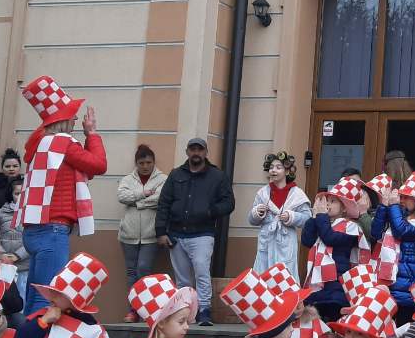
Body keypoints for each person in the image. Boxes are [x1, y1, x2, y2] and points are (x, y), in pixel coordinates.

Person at [18, 76, 107, 316]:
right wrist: (92, 134)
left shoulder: (39, 142)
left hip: (33, 230)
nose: (76, 119)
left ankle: (27, 336)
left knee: (34, 296)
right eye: (72, 115)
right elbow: (98, 165)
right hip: (54, 230)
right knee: (48, 298)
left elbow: (85, 168)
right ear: (63, 119)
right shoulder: (65, 143)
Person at [154, 136, 234, 327]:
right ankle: (185, 312)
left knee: (201, 271)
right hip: (176, 234)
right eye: (193, 149)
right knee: (182, 279)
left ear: (206, 152)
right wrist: (160, 232)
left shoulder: (217, 176)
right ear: (187, 152)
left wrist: (210, 211)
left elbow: (229, 203)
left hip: (203, 233)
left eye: (200, 149)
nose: (196, 153)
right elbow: (164, 203)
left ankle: (204, 310)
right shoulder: (176, 175)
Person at [369, 171, 415, 323]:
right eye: (401, 196)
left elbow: (400, 231)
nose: (401, 200)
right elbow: (375, 233)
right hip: (389, 284)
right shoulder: (400, 214)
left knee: (402, 329)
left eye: (407, 197)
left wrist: (393, 206)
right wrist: (383, 206)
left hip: (406, 291)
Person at [300, 175, 370, 322]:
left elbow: (329, 238)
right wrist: (314, 218)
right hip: (318, 286)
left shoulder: (351, 227)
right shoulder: (322, 222)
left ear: (344, 208)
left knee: (332, 322)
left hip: (337, 287)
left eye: (333, 201)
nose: (327, 204)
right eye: (327, 201)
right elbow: (307, 240)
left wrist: (321, 217)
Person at [246, 152, 311, 280]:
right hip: (266, 241)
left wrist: (291, 217)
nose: (273, 170)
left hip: (285, 242)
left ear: (287, 171)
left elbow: (307, 218)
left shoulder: (297, 194)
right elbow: (251, 220)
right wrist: (257, 212)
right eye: (271, 167)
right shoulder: (263, 193)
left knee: (284, 279)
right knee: (263, 277)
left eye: (278, 167)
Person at [117, 144, 166, 301]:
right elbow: (122, 197)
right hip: (128, 234)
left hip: (150, 235)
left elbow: (160, 199)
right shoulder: (127, 179)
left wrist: (138, 203)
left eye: (148, 162)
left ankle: (144, 305)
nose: (145, 166)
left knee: (144, 269)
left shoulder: (163, 179)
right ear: (136, 163)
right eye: (141, 163)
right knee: (131, 272)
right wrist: (143, 193)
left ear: (154, 162)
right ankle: (133, 308)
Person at [0, 178, 27, 299]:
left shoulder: (33, 214)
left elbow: (35, 239)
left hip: (25, 266)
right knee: (6, 298)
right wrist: (3, 255)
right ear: (11, 194)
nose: (21, 197)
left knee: (23, 297)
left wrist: (18, 255)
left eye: (24, 193)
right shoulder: (0, 213)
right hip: (4, 264)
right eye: (17, 193)